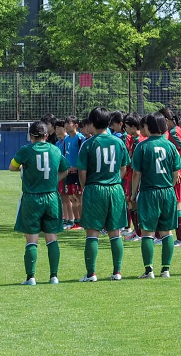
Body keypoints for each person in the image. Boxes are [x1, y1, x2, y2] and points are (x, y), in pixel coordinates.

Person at [76, 106, 131, 281]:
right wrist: (114, 180)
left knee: (92, 233)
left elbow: (82, 172)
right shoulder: (119, 142)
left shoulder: (88, 144)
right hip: (115, 189)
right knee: (115, 233)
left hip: (94, 189)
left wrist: (86, 188)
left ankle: (91, 273)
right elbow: (124, 167)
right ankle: (117, 272)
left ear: (92, 123)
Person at [10, 119, 67, 285]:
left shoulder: (26, 150)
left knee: (32, 239)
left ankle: (31, 278)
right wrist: (53, 181)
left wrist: (24, 168)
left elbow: (12, 167)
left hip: (32, 198)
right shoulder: (55, 149)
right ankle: (54, 276)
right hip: (51, 197)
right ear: (46, 135)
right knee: (52, 238)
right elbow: (65, 170)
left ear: (31, 136)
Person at [130, 113, 181, 279]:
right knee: (167, 232)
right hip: (167, 192)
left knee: (147, 232)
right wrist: (169, 186)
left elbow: (136, 174)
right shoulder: (170, 146)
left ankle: (149, 270)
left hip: (149, 192)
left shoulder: (142, 146)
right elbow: (176, 172)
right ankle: (166, 269)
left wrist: (133, 194)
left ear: (148, 127)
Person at [158, 107, 181, 246]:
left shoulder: (173, 132)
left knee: (176, 205)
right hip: (180, 172)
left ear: (165, 120)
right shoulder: (177, 129)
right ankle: (174, 237)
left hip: (177, 174)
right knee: (175, 205)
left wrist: (176, 168)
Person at [59, 117, 85, 229]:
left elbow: (83, 155)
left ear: (76, 125)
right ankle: (76, 221)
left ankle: (82, 221)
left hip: (77, 172)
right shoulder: (66, 139)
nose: (66, 125)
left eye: (68, 123)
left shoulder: (80, 138)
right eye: (65, 123)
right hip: (68, 172)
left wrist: (77, 167)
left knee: (78, 197)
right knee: (72, 197)